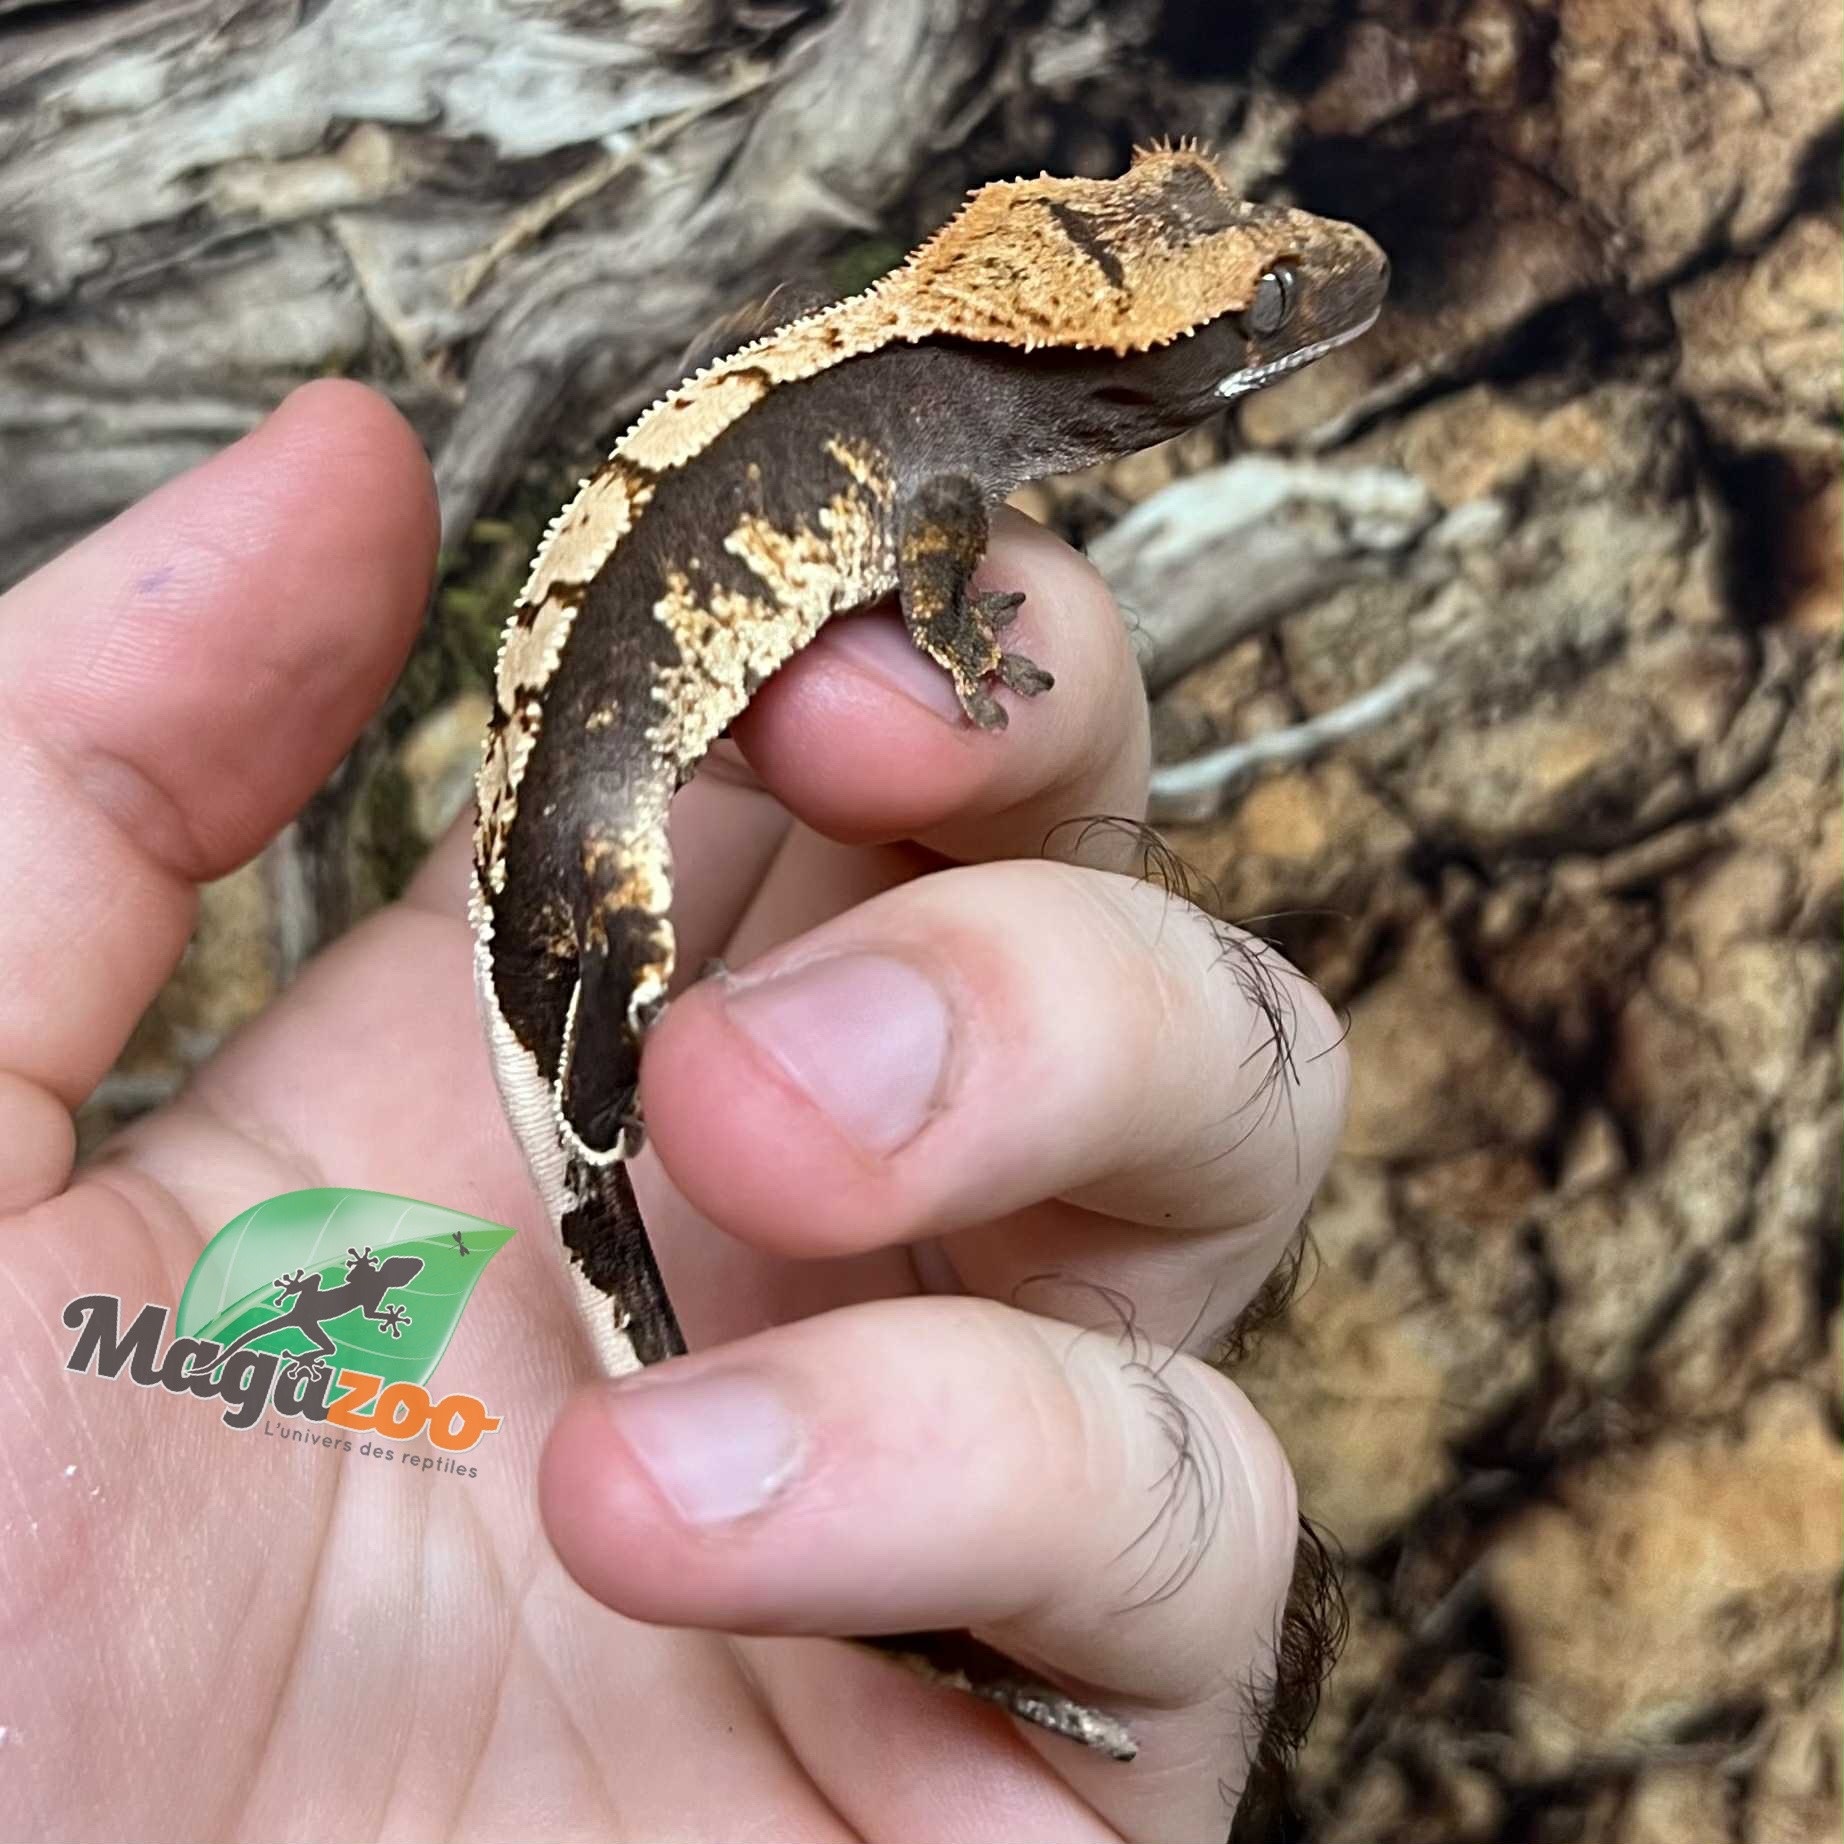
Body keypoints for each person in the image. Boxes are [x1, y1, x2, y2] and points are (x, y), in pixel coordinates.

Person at [0, 381, 1348, 1842]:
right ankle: (612, 1086)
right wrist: (955, 643)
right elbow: (939, 559)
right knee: (622, 988)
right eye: (1263, 314)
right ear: (1139, 361)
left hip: (596, 803)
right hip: (593, 812)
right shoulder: (947, 462)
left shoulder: (943, 438)